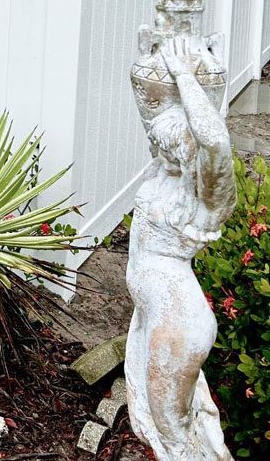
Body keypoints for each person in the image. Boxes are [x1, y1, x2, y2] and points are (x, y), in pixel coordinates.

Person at [126, 35, 235, 461]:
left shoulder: (207, 201)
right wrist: (152, 57)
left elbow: (215, 142)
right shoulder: (166, 172)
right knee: (158, 426)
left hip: (177, 324)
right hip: (151, 314)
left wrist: (186, 76)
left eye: (172, 147)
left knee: (172, 434)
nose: (161, 150)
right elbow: (151, 110)